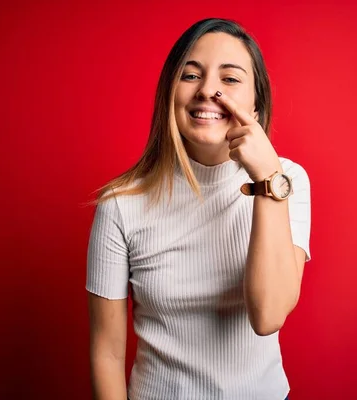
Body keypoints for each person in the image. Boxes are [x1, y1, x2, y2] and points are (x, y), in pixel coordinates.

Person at [86, 17, 311, 400]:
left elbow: (269, 314)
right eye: (190, 76)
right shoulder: (120, 205)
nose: (208, 91)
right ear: (169, 92)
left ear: (256, 106)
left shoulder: (287, 180)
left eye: (230, 79)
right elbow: (107, 351)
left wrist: (268, 178)